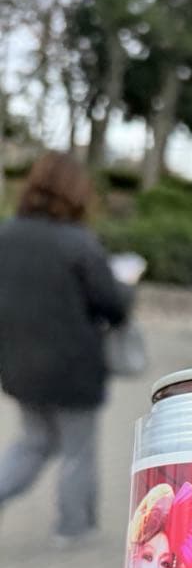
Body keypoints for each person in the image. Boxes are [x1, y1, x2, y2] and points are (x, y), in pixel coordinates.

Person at [0, 151, 128, 543]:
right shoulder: (80, 243)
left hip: (19, 362)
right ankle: (74, 529)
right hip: (73, 369)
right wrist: (127, 285)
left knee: (33, 442)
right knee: (77, 450)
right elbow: (112, 304)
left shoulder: (6, 234)